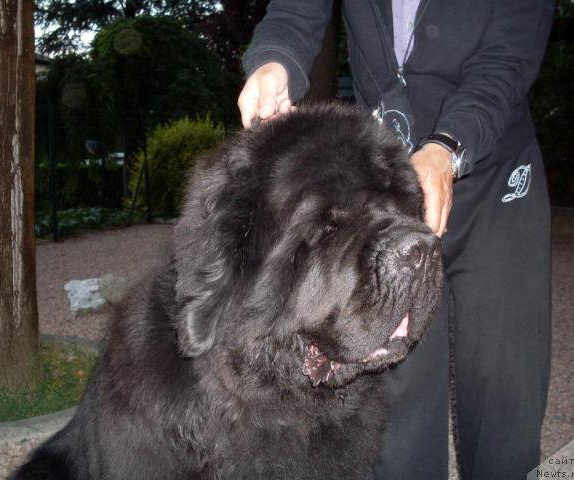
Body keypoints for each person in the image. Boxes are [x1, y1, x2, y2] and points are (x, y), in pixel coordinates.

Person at [238, 1, 555, 479]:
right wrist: (273, 61)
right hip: (388, 177)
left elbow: (507, 62)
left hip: (498, 179)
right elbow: (296, 11)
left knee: (503, 389)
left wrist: (448, 145)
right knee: (395, 382)